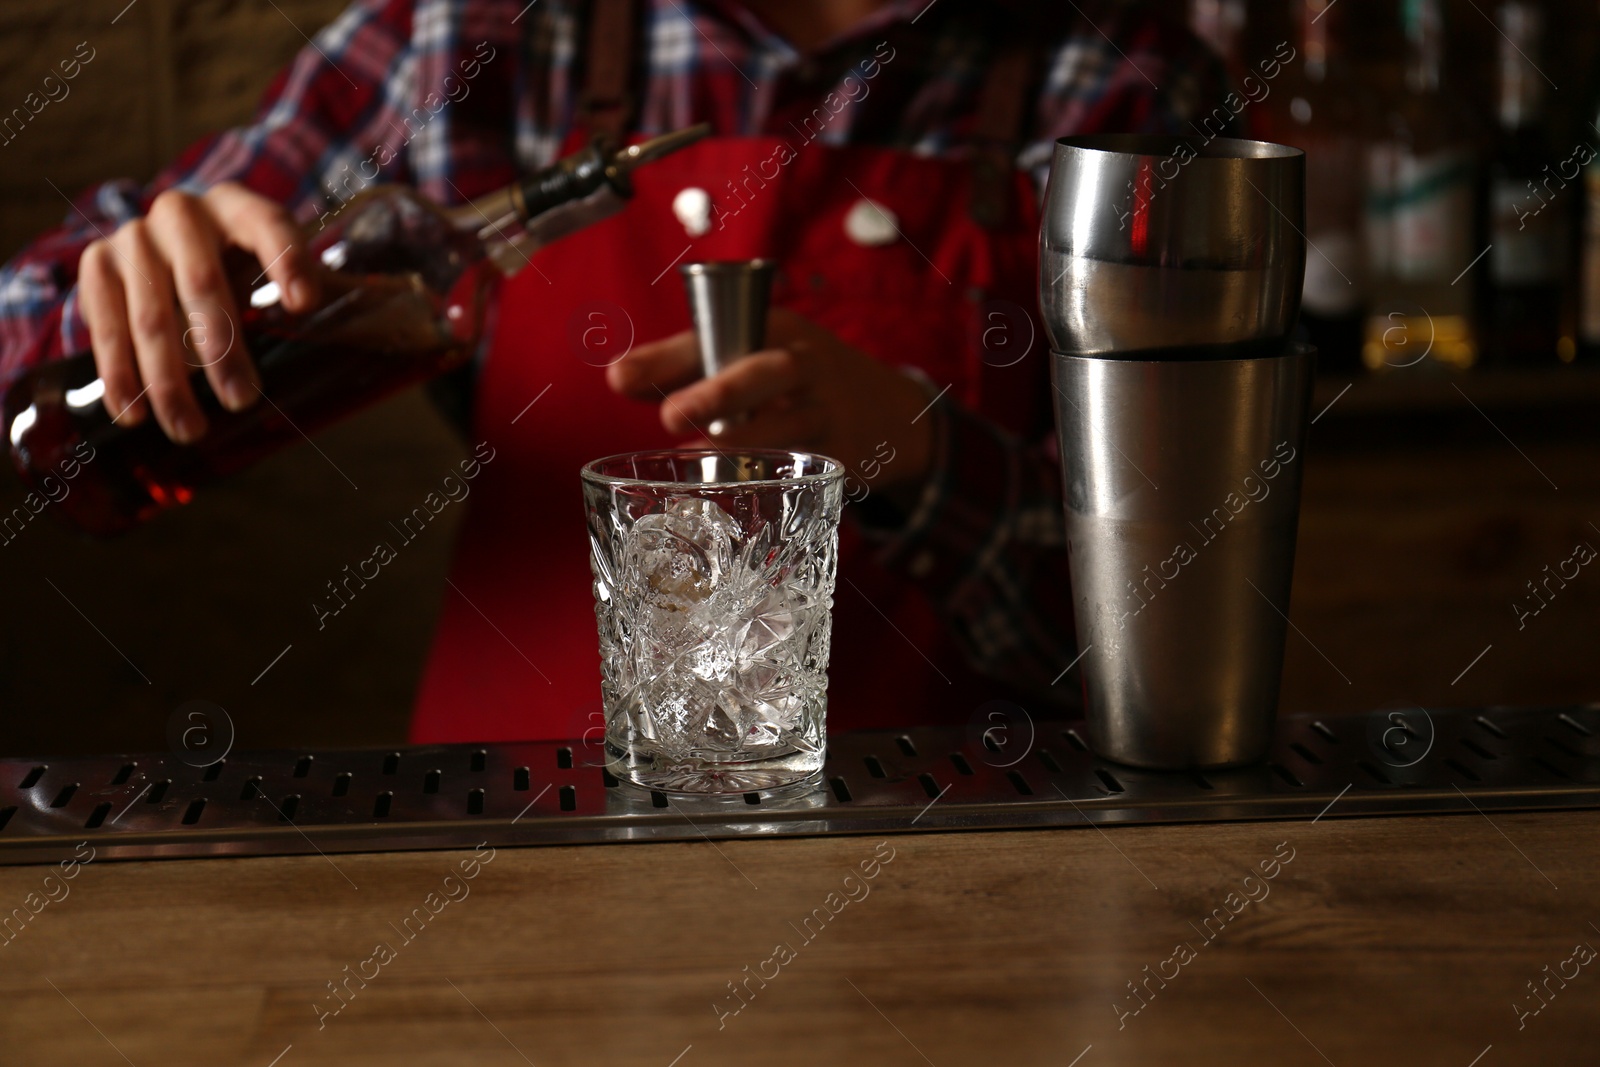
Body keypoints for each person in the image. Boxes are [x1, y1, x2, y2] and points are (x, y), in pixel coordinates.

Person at [0, 0, 1232, 743]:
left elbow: (1173, 618)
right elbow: (28, 332)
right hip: (523, 853)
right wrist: (135, 292)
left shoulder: (1119, 71)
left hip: (963, 867)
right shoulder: (480, 37)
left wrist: (925, 455)